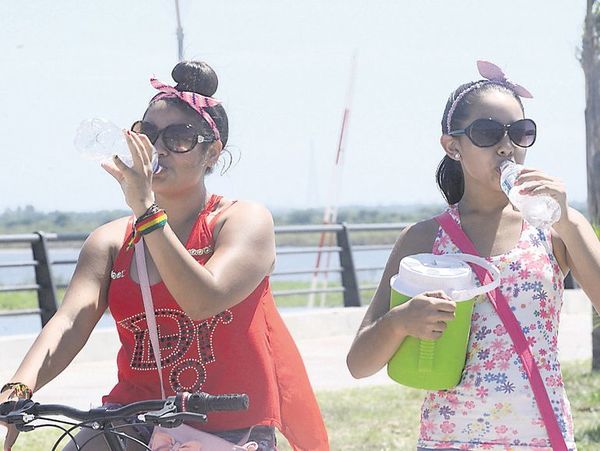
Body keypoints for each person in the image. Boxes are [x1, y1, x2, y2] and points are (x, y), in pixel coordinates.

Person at [1, 61, 329, 451]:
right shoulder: (108, 241)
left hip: (228, 430)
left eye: (179, 138)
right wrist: (17, 389)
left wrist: (146, 212)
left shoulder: (243, 221)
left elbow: (203, 300)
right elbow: (71, 320)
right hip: (131, 421)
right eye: (148, 134)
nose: (158, 149)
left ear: (213, 153)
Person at [346, 60, 600, 450]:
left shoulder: (555, 227)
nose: (506, 146)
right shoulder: (423, 238)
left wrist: (567, 222)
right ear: (452, 146)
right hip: (449, 440)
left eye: (520, 133)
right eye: (486, 133)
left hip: (541, 437)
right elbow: (359, 363)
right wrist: (401, 322)